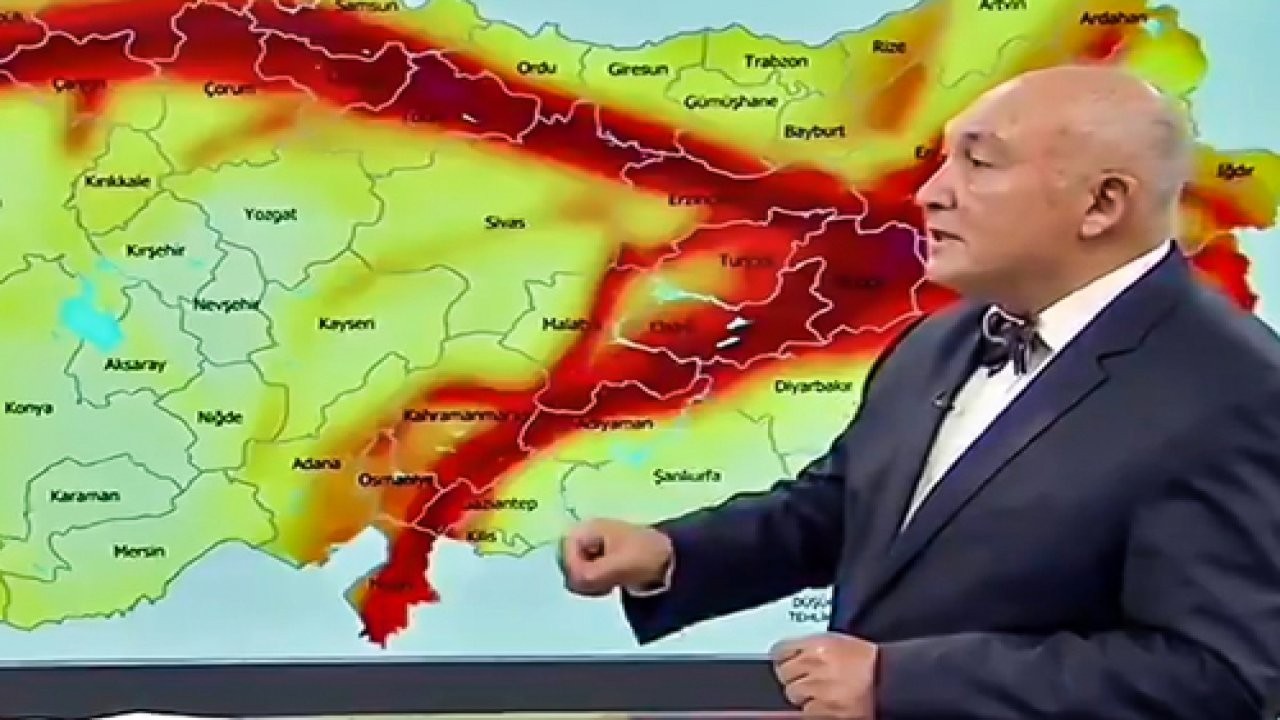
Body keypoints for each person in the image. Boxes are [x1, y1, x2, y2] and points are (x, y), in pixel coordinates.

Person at [558, 64, 1280, 719]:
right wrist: (671, 553)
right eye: (943, 159)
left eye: (979, 163)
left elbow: (1215, 674)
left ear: (1102, 203)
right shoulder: (944, 339)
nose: (932, 193)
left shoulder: (1232, 388)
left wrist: (901, 682)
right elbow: (846, 506)